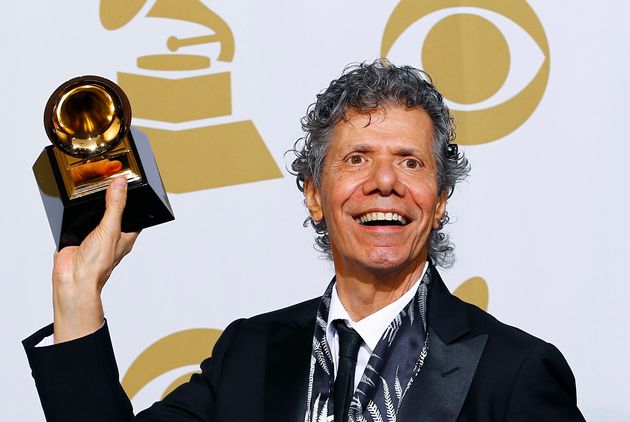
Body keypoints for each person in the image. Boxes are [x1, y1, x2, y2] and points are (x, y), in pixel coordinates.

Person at [23, 60, 586, 421]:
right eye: (357, 159)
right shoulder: (248, 354)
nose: (384, 183)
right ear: (314, 194)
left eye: (409, 162)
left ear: (439, 202)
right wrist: (78, 296)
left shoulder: (517, 372)